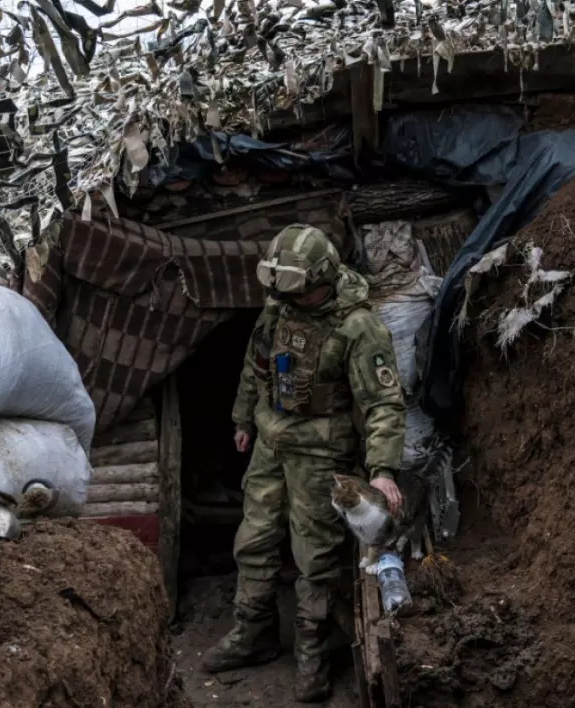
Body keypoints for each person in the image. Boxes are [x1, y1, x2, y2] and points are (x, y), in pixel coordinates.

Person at [202, 224, 406, 702]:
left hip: (322, 455)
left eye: (299, 292)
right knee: (253, 541)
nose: (288, 300)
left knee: (315, 559)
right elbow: (256, 367)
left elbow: (383, 404)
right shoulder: (279, 308)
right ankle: (253, 635)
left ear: (324, 278)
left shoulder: (359, 327)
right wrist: (242, 420)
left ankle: (312, 654)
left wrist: (381, 469)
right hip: (271, 446)